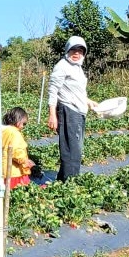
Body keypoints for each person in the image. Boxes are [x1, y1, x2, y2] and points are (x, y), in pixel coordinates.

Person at [47, 36, 99, 181]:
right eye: (73, 50)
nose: (76, 53)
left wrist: (88, 101)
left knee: (74, 148)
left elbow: (75, 91)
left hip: (78, 111)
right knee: (72, 151)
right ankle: (70, 183)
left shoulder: (77, 68)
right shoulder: (62, 66)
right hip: (68, 111)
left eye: (80, 50)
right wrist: (52, 115)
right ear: (67, 50)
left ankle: (62, 181)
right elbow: (53, 90)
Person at [0, 107, 35, 189]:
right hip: (14, 171)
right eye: (24, 123)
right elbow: (16, 151)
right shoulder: (15, 133)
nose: (23, 126)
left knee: (5, 190)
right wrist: (25, 161)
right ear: (18, 121)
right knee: (19, 190)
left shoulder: (2, 131)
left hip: (3, 169)